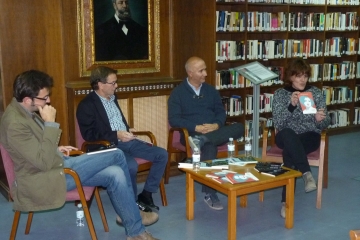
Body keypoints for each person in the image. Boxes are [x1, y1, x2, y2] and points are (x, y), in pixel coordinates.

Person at [0, 70, 159, 240]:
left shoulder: (22, 112)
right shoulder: (15, 123)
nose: (49, 101)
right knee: (118, 155)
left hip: (55, 167)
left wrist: (56, 149)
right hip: (45, 179)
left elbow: (31, 150)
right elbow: (43, 163)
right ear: (27, 99)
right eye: (44, 97)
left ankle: (134, 229)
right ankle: (133, 213)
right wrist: (50, 124)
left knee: (116, 173)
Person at [76, 66, 168, 215]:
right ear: (100, 84)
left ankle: (146, 195)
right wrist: (116, 135)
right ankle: (131, 204)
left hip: (126, 140)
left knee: (161, 154)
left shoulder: (113, 98)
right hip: (107, 146)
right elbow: (89, 134)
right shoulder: (86, 105)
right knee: (130, 164)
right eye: (113, 83)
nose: (116, 86)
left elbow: (115, 121)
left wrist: (126, 129)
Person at [168, 56, 244, 210]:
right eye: (201, 71)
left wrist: (216, 124)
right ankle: (210, 193)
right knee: (210, 147)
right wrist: (195, 127)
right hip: (191, 134)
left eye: (205, 69)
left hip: (213, 132)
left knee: (240, 127)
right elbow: (174, 119)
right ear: (190, 73)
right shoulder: (178, 93)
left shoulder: (210, 90)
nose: (206, 74)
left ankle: (203, 140)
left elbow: (221, 113)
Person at [272, 59, 330, 218]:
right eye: (298, 76)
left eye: (305, 75)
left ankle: (286, 202)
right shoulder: (280, 94)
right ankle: (306, 173)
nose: (303, 79)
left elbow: (327, 121)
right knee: (289, 134)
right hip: (285, 134)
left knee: (290, 152)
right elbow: (278, 122)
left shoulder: (315, 93)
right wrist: (291, 105)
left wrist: (320, 119)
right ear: (290, 77)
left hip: (309, 134)